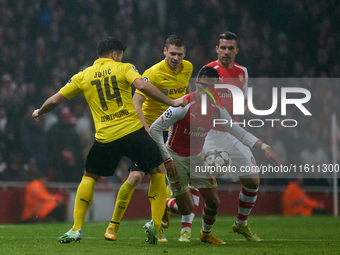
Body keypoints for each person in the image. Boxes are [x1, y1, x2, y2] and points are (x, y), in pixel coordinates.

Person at [32, 37, 188, 245]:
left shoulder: (83, 75)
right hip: (133, 131)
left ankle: (76, 229)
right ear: (115, 54)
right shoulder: (124, 68)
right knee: (158, 172)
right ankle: (156, 225)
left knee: (89, 177)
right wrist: (171, 101)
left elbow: (55, 100)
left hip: (105, 137)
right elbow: (142, 86)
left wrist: (39, 111)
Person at [149, 66, 281, 244]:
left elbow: (239, 133)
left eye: (211, 86)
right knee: (187, 208)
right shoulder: (182, 105)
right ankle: (165, 205)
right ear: (197, 83)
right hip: (176, 158)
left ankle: (206, 234)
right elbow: (155, 129)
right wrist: (167, 159)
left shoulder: (216, 110)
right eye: (203, 85)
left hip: (197, 157)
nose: (206, 90)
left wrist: (265, 147)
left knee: (214, 202)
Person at [105, 34, 192, 243]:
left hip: (173, 132)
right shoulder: (152, 73)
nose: (176, 58)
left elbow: (187, 94)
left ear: (184, 54)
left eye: (179, 54)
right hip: (151, 129)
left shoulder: (188, 68)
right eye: (172, 53)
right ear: (165, 52)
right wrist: (145, 129)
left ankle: (159, 227)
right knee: (136, 177)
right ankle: (113, 225)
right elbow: (136, 103)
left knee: (162, 175)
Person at [178, 31, 263, 242]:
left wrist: (247, 105)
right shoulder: (208, 71)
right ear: (217, 49)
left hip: (231, 132)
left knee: (252, 181)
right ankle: (187, 229)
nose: (226, 52)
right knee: (200, 183)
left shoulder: (242, 72)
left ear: (237, 50)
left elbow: (242, 97)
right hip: (207, 133)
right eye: (222, 48)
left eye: (230, 48)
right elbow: (195, 100)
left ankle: (241, 225)